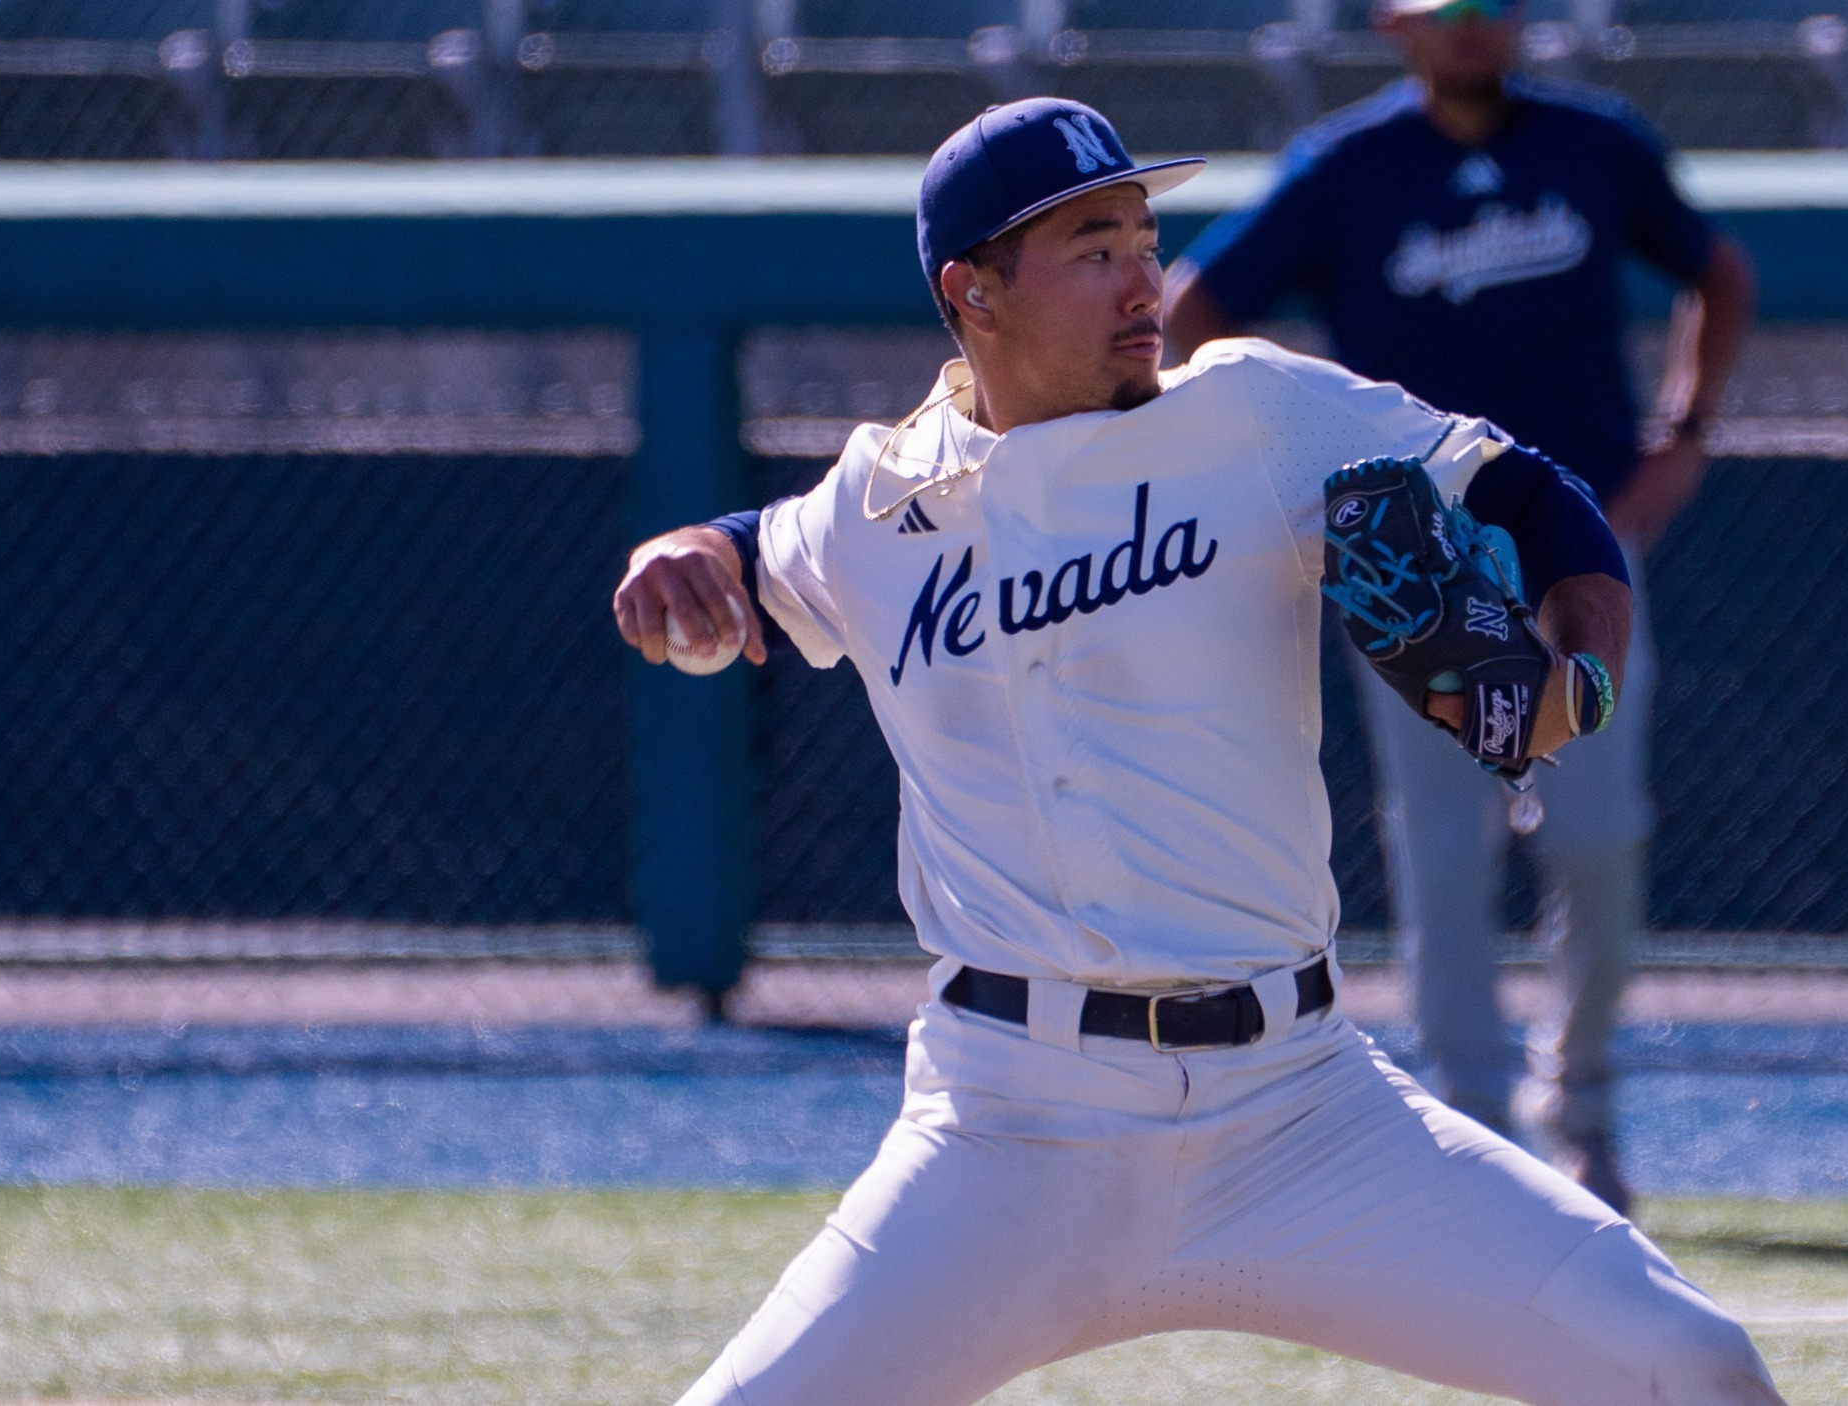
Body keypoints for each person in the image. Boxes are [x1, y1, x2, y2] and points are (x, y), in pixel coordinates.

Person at [613, 97, 1781, 1406]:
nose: (1143, 279)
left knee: (1692, 1366)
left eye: (1144, 237)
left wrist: (1586, 656)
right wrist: (692, 550)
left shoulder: (1256, 411)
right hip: (1011, 1130)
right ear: (972, 290)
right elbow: (754, 547)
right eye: (1093, 246)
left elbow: (1527, 491)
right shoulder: (880, 500)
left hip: (1300, 1112)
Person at [1165, 0, 1757, 1215]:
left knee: (1598, 842)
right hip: (1415, 563)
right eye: (1449, 10)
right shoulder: (1346, 167)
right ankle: (1477, 1140)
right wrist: (1268, 473)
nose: (1475, 28)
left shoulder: (1594, 145)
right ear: (1395, 25)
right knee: (1441, 856)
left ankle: (1579, 1104)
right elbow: (1191, 309)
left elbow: (1717, 270)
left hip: (1573, 551)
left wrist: (1687, 435)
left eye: (1495, 6)